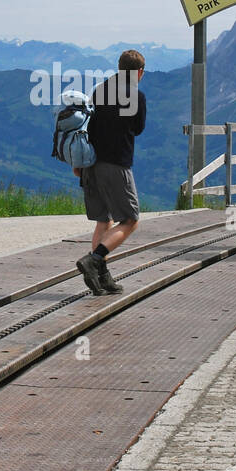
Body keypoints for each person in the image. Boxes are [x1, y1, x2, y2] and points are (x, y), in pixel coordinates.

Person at [74, 50, 146, 296]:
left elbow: (90, 126)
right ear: (139, 72)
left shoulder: (100, 90)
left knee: (104, 220)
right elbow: (137, 129)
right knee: (130, 220)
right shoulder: (136, 96)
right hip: (116, 165)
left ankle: (101, 278)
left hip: (90, 164)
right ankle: (94, 260)